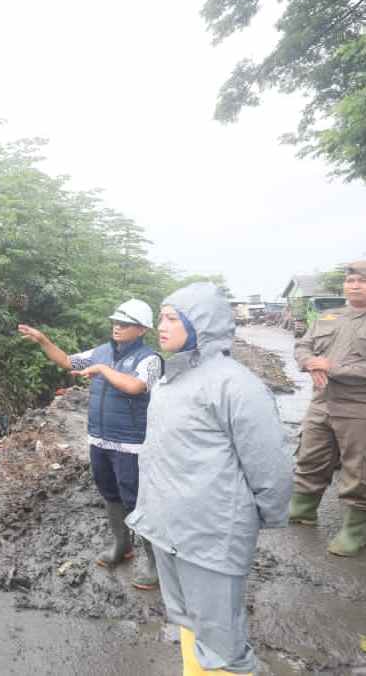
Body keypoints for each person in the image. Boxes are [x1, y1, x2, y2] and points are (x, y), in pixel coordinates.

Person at [127, 282, 292, 675]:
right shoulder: (170, 378)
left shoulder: (235, 384)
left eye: (172, 318)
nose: (161, 326)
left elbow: (269, 463)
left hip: (211, 533)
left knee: (222, 640)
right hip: (166, 526)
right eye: (161, 317)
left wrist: (260, 517)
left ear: (200, 323)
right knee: (185, 617)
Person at [18, 299, 162, 590]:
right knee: (109, 493)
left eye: (125, 323)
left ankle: (155, 562)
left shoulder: (150, 359)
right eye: (115, 321)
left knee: (137, 499)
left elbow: (135, 386)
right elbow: (68, 361)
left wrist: (102, 370)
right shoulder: (101, 352)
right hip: (99, 439)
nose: (117, 327)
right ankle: (122, 545)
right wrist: (43, 340)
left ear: (142, 329)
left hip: (131, 444)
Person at [290, 260, 366, 556]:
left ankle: (355, 530)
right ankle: (302, 510)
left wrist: (332, 367)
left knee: (358, 468)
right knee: (310, 456)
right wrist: (309, 362)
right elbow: (302, 345)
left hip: (358, 405)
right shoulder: (328, 316)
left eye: (362, 281)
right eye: (350, 280)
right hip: (321, 401)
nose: (355, 285)